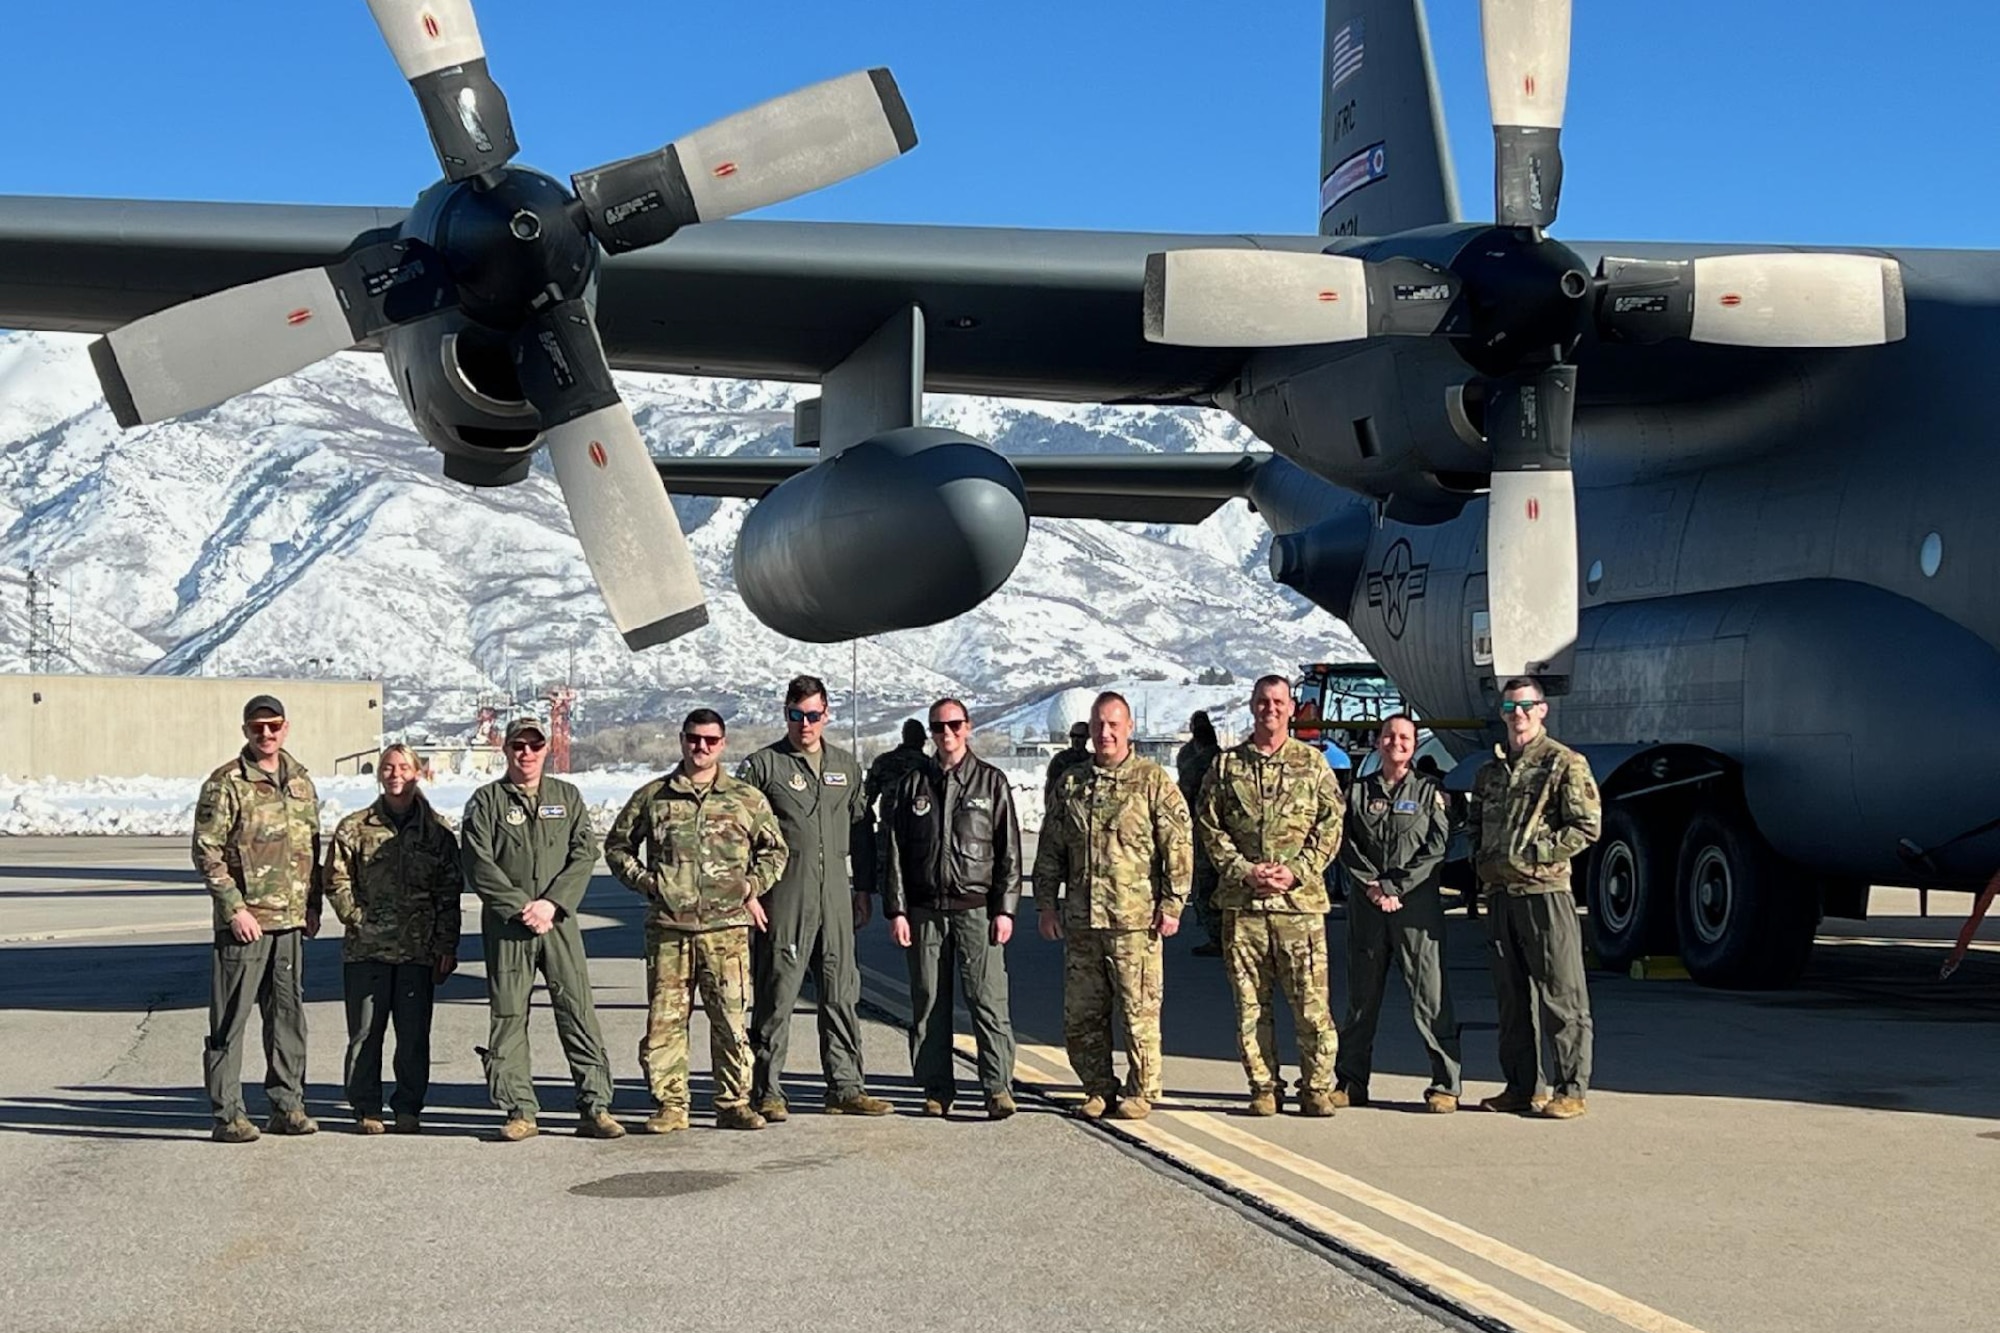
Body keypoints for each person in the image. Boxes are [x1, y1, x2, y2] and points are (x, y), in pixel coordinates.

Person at [605, 709, 787, 1133]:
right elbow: (617, 847)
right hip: (671, 929)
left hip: (727, 930)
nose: (700, 747)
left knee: (730, 1020)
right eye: (693, 739)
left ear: (722, 744)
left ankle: (733, 1102)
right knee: (666, 1022)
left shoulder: (745, 798)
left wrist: (752, 885)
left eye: (709, 740)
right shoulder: (655, 797)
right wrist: (649, 883)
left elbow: (775, 850)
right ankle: (671, 1104)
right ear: (681, 740)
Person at [461, 717, 623, 1142]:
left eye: (534, 745)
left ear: (546, 749)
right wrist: (519, 907)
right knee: (510, 1015)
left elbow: (584, 854)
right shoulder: (486, 802)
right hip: (508, 928)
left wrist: (552, 904)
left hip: (558, 923)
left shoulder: (566, 797)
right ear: (506, 749)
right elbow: (479, 863)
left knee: (577, 1010)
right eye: (518, 745)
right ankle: (519, 1109)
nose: (526, 753)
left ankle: (595, 1106)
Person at [1032, 691, 1192, 1122]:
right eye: (1099, 724)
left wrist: (1173, 903)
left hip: (1135, 922)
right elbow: (1051, 849)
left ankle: (1142, 1089)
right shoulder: (1072, 783)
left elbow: (1177, 846)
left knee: (1139, 1012)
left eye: (1114, 725)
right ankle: (1098, 1086)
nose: (1105, 733)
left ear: (1129, 728)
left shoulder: (1153, 781)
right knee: (1083, 1014)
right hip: (1083, 921)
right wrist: (1046, 904)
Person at [739, 676, 892, 1119]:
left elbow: (862, 832)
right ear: (784, 714)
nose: (804, 724)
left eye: (812, 716)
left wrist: (864, 888)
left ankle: (845, 1086)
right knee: (777, 992)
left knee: (842, 991)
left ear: (826, 715)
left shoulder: (846, 767)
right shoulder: (764, 767)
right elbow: (738, 835)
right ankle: (767, 1090)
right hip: (784, 897)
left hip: (835, 899)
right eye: (795, 715)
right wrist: (749, 892)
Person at [1195, 676, 1346, 1118]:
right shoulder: (1226, 767)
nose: (1270, 709)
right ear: (1251, 706)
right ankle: (1264, 1086)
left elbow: (1331, 824)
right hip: (1244, 907)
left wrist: (1297, 872)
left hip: (1299, 907)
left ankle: (1316, 1086)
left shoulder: (1312, 764)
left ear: (1291, 707)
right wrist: (1244, 871)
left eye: (1279, 702)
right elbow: (1209, 825)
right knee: (1250, 1006)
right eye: (1263, 702)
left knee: (1311, 1005)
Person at [880, 697, 1021, 1120]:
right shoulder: (911, 785)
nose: (947, 735)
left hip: (977, 910)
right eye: (938, 727)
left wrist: (1005, 910)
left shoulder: (991, 783)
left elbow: (1009, 851)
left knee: (988, 1001)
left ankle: (997, 1088)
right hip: (925, 911)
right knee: (928, 1003)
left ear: (968, 727)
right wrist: (897, 911)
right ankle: (936, 1087)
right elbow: (895, 852)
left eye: (954, 726)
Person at [1469, 678, 1603, 1120]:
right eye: (1511, 706)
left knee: (1561, 994)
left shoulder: (1564, 763)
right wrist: (1484, 861)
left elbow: (1586, 826)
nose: (1518, 713)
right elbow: (1474, 823)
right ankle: (1520, 1086)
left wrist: (1536, 854)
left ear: (1542, 710)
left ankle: (1570, 1087)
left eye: (1526, 705)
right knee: (1512, 1000)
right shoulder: (1490, 770)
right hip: (1501, 895)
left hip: (1544, 893)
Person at [192, 694, 323, 1143]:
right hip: (245, 925)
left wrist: (312, 906)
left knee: (288, 1017)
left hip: (289, 922)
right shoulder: (226, 783)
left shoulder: (301, 782)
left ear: (286, 727)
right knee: (231, 1019)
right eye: (256, 728)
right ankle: (227, 1114)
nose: (265, 734)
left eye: (273, 726)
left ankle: (287, 1105)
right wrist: (234, 908)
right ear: (245, 730)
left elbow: (311, 849)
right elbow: (207, 851)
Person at [323, 743, 462, 1135]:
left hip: (418, 951)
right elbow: (335, 879)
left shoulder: (437, 833)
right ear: (379, 774)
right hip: (367, 950)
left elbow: (449, 893)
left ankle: (408, 1107)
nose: (395, 773)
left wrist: (446, 945)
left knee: (413, 1035)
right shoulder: (355, 827)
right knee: (366, 1033)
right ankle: (367, 1107)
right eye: (388, 767)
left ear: (417, 772)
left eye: (403, 766)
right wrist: (358, 919)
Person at [1334, 715, 1461, 1112]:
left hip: (1415, 907)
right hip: (1369, 906)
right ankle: (1351, 1081)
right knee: (1360, 999)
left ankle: (1446, 1084)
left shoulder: (1429, 793)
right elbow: (1344, 841)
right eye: (1389, 736)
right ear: (1377, 742)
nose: (1396, 742)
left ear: (1414, 744)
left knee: (1431, 996)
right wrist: (1373, 884)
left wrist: (1396, 886)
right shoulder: (1357, 792)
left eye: (1405, 737)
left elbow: (1437, 847)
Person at [1175, 711, 1224, 956]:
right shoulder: (1228, 762)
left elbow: (1181, 800)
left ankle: (1217, 937)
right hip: (1231, 834)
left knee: (1205, 886)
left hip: (1204, 832)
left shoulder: (1193, 763)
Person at [1043, 721, 1091, 803]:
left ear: (1087, 738)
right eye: (1073, 736)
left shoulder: (1091, 761)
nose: (1076, 740)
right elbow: (1050, 789)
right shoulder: (1060, 760)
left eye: (1080, 736)